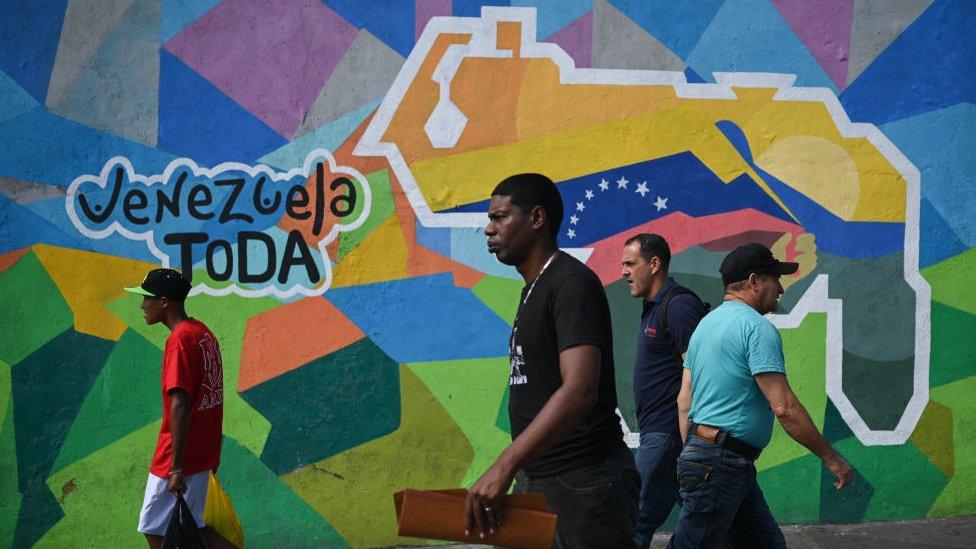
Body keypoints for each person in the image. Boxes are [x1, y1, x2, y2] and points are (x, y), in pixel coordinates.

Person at [465, 173, 639, 548]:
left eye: (499, 217)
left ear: (537, 218)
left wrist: (504, 465)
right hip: (541, 478)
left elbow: (579, 391)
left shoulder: (570, 284)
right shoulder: (536, 288)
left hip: (582, 481)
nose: (488, 229)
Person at [667, 243, 854, 548]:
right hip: (721, 463)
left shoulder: (704, 327)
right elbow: (784, 408)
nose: (780, 287)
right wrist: (832, 459)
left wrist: (695, 452)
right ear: (754, 281)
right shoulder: (757, 328)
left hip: (712, 457)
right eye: (774, 278)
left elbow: (684, 399)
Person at [126, 268, 232, 548]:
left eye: (146, 298)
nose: (141, 305)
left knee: (154, 528)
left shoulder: (179, 341)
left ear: (164, 302)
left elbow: (181, 405)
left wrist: (176, 467)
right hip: (200, 454)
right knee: (195, 527)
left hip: (176, 457)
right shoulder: (202, 333)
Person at [620, 234, 708, 548]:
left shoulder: (679, 305)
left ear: (655, 264)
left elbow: (701, 371)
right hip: (659, 433)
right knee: (704, 525)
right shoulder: (654, 307)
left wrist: (690, 438)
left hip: (668, 433)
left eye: (631, 264)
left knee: (633, 520)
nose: (624, 272)